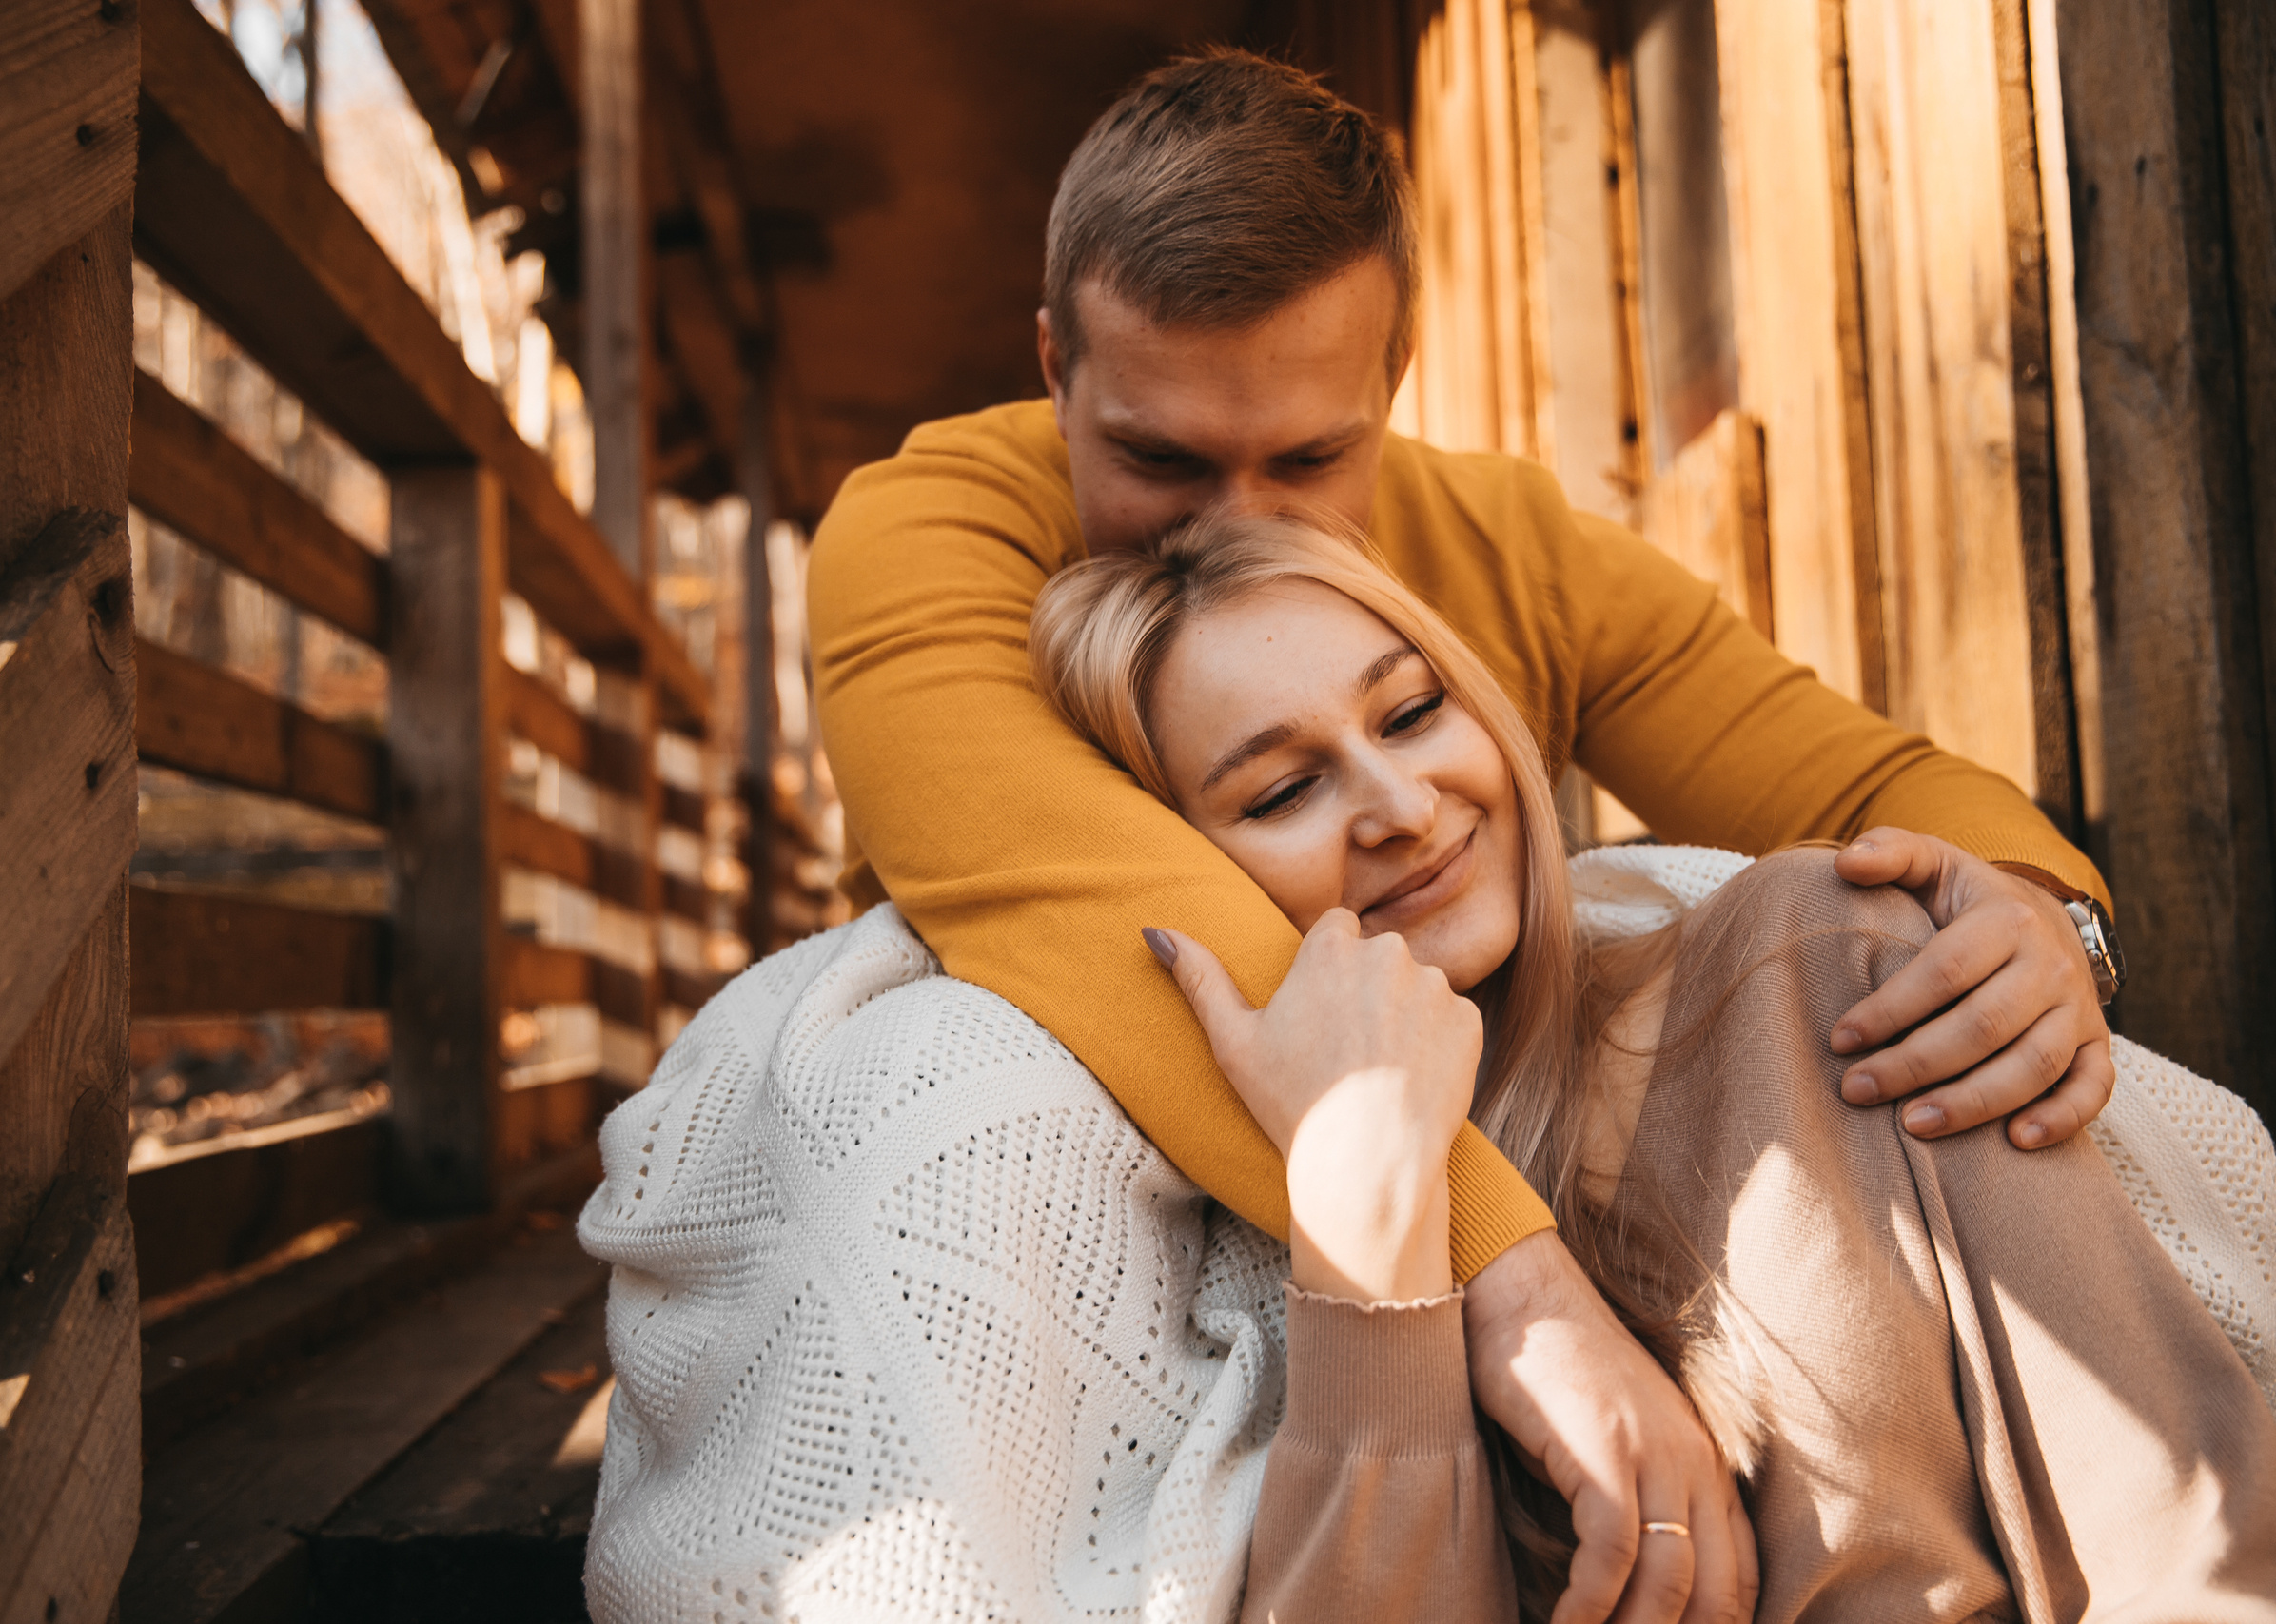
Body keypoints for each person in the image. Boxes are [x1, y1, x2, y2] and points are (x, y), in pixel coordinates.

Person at [807, 47, 2125, 1620]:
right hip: (1097, 1201)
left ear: (1397, 376)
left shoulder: (1514, 542)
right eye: (1158, 459)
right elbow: (1098, 899)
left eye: (1310, 459)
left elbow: (1858, 784)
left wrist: (2045, 916)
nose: (1236, 520)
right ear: (1051, 368)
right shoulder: (920, 524)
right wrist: (1519, 1287)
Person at [1025, 510, 2276, 1622]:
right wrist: (1372, 1227)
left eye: (1413, 712)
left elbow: (2169, 1516)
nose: (1400, 805)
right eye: (1284, 789)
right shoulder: (1221, 1264)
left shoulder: (1815, 964)